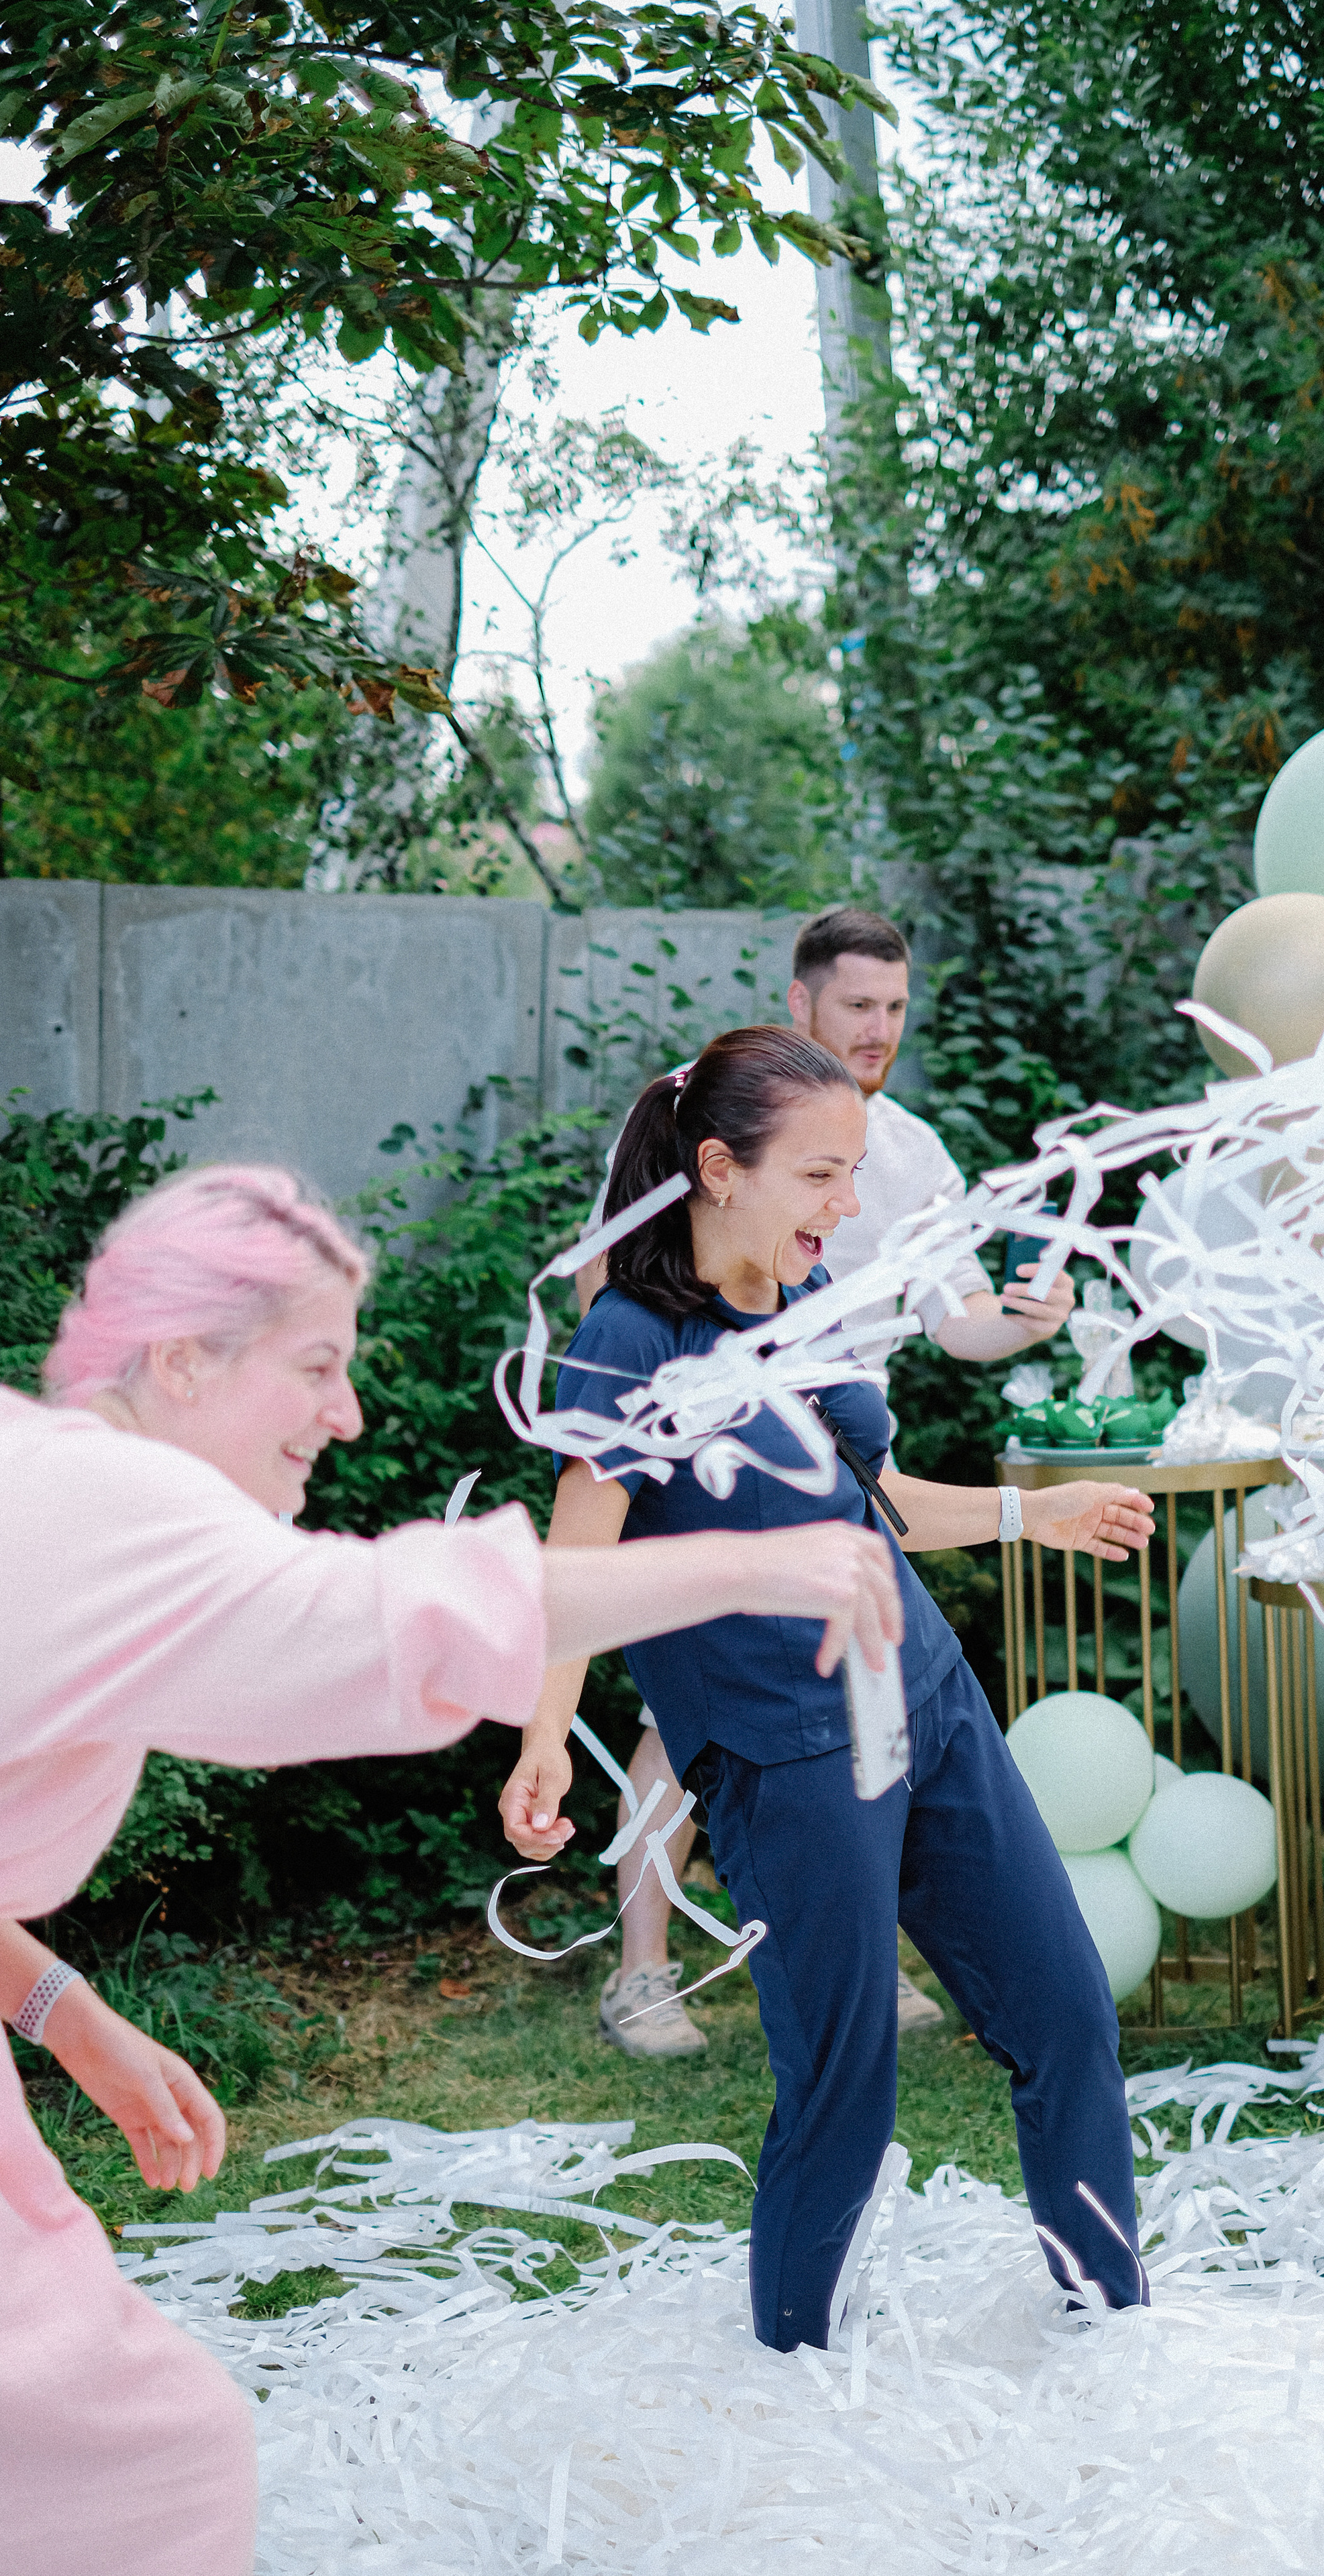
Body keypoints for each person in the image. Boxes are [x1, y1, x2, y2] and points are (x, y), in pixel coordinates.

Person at [1, 1162, 902, 2576]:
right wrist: (758, 1567)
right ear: (179, 1361)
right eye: (315, 1367)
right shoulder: (105, 1509)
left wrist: (67, 2014)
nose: (348, 1415)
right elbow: (393, 1619)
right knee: (144, 2461)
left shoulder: (51, 1483)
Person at [499, 1025, 1156, 2355]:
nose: (848, 1206)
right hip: (785, 1752)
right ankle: (792, 2378)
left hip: (931, 1704)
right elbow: (577, 1557)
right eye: (820, 1175)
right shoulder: (628, 1339)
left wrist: (1039, 1514)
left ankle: (1112, 2334)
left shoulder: (807, 1308)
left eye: (852, 1174)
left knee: (1067, 2017)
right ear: (718, 1169)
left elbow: (884, 1503)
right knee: (844, 2085)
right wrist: (544, 1737)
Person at [572, 905, 1077, 2055]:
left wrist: (1025, 1320)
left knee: (870, 1709)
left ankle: (864, 1957)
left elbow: (959, 1322)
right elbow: (610, 1283)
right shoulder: (705, 1114)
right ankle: (642, 1973)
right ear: (801, 1001)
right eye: (857, 1004)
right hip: (713, 1468)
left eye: (896, 1006)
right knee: (683, 1722)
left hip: (850, 1468)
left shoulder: (917, 1154)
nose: (879, 1027)